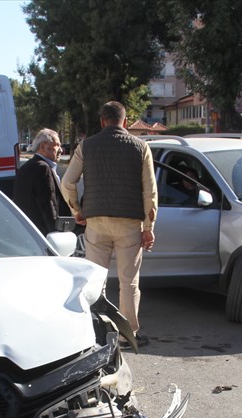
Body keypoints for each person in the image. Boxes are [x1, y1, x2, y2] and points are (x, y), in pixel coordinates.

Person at [60, 101, 157, 347]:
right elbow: (150, 193)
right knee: (129, 282)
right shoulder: (141, 147)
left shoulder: (86, 146)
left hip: (96, 221)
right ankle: (129, 334)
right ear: (125, 121)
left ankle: (98, 333)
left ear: (102, 121)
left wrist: (77, 211)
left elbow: (67, 183)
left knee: (95, 280)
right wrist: (148, 229)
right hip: (129, 223)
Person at [13, 128, 67, 233]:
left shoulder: (26, 167)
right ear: (43, 147)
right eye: (57, 145)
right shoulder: (42, 168)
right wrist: (55, 233)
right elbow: (47, 204)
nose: (61, 150)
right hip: (42, 233)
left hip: (27, 231)